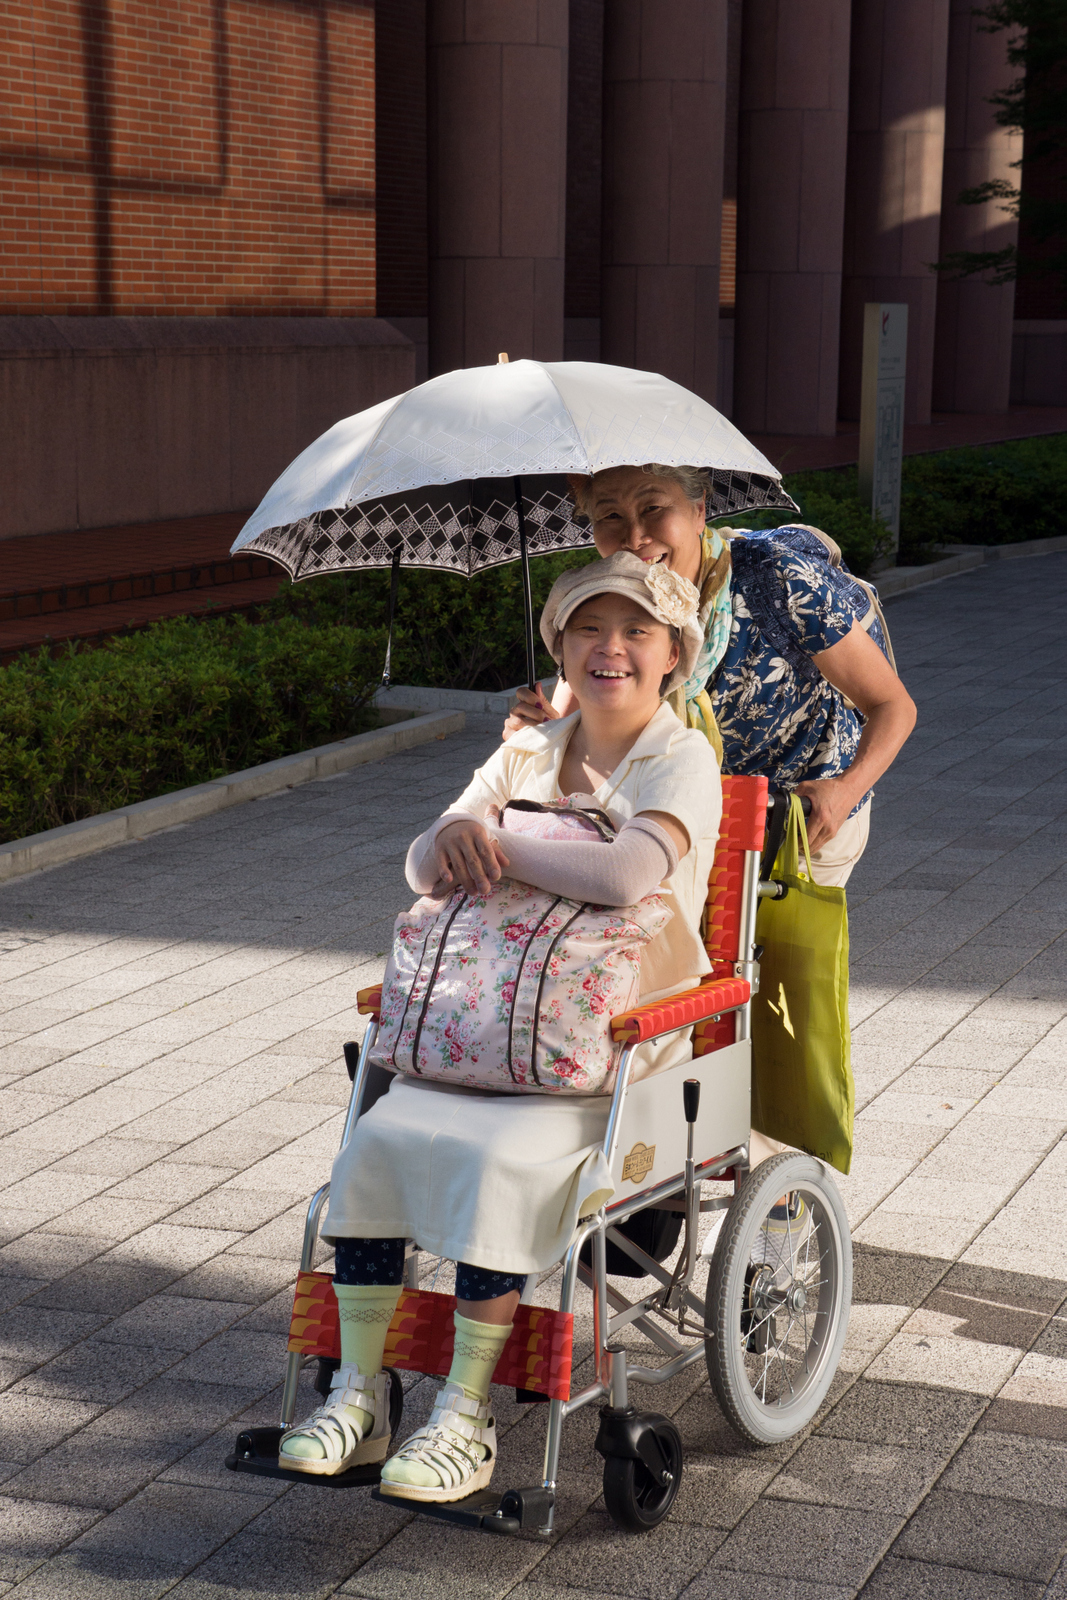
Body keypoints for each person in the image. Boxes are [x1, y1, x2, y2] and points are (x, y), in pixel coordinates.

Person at [277, 551, 722, 1503]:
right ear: (558, 643)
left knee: (497, 1163)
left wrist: (497, 844)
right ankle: (362, 1393)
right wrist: (449, 835)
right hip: (489, 1030)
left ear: (672, 654)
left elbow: (622, 878)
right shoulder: (524, 750)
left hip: (613, 1049)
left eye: (636, 632)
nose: (611, 650)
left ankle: (465, 1414)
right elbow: (418, 867)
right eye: (588, 630)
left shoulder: (681, 758)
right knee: (380, 1139)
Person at [504, 464, 917, 889]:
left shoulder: (777, 578)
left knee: (780, 954)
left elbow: (893, 705)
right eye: (610, 516)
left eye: (653, 508)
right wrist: (540, 734)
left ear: (700, 510)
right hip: (679, 811)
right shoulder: (608, 594)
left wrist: (845, 791)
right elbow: (576, 725)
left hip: (802, 815)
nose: (634, 537)